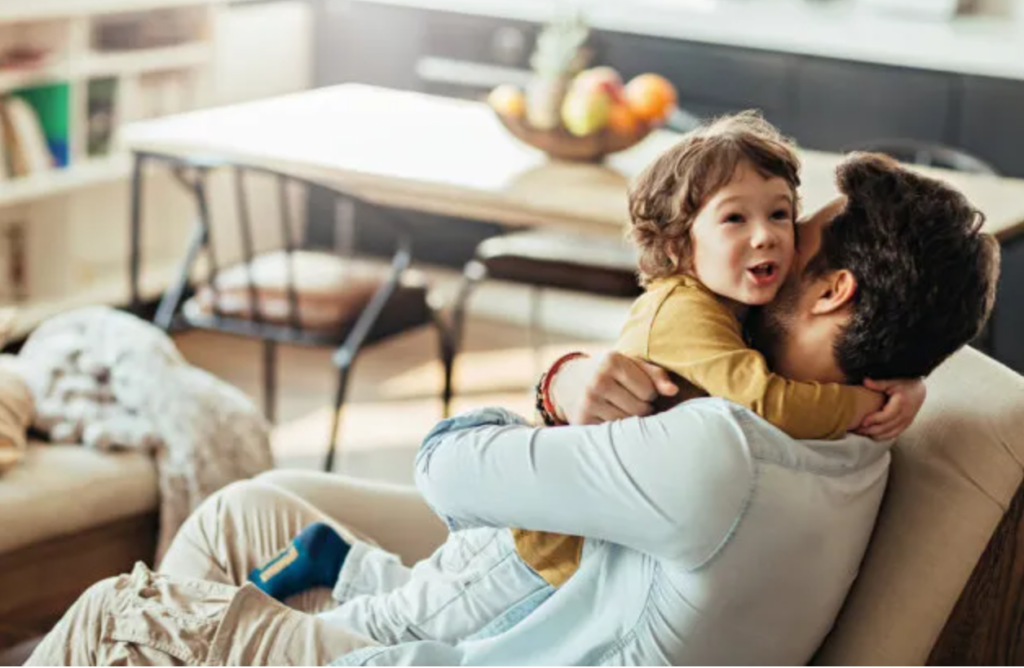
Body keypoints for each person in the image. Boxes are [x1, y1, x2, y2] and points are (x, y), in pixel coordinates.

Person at [27, 152, 999, 666]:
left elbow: (446, 470)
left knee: (117, 612)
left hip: (458, 652)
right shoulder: (860, 428)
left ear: (830, 294)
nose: (771, 249)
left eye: (796, 233)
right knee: (249, 512)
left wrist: (556, 386)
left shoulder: (717, 455)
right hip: (521, 605)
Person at [246, 113, 926, 632]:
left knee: (429, 593)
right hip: (545, 541)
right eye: (735, 219)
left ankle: (332, 560)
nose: (767, 235)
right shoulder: (682, 314)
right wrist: (857, 407)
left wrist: (911, 378)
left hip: (578, 520)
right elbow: (765, 400)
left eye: (781, 213)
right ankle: (254, 631)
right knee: (412, 620)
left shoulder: (736, 308)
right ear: (678, 243)